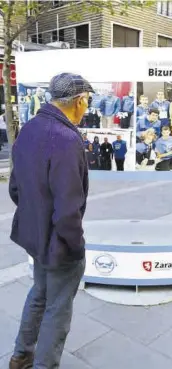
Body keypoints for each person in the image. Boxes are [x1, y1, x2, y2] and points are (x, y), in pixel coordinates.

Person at [8, 72, 92, 369]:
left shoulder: (29, 128)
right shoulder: (68, 139)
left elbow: (15, 188)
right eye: (88, 101)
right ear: (79, 101)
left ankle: (20, 356)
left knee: (40, 293)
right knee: (57, 309)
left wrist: (38, 217)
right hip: (59, 243)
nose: (87, 107)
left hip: (35, 236)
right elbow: (68, 207)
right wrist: (74, 246)